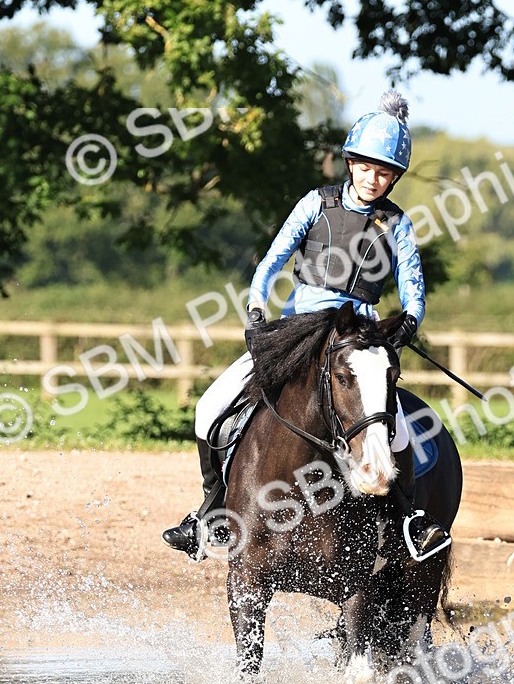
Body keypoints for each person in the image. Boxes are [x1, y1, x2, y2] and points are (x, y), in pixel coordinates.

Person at [163, 90, 451, 562]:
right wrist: (258, 305)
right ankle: (210, 512)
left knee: (395, 433)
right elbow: (272, 261)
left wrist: (410, 322)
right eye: (366, 167)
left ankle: (407, 521)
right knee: (210, 406)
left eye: (384, 173)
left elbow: (413, 288)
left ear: (394, 178)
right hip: (299, 329)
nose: (373, 179)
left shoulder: (396, 224)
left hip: (356, 336)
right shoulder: (315, 204)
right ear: (350, 162)